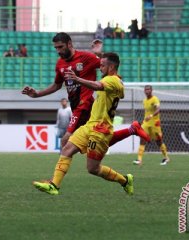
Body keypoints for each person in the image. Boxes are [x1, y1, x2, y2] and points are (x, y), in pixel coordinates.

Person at [21, 32, 150, 151]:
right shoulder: (60, 64)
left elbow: (107, 66)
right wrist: (37, 94)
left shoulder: (85, 57)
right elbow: (56, 85)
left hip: (85, 103)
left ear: (69, 44)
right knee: (99, 140)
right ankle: (131, 130)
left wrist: (99, 54)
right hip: (78, 105)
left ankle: (56, 176)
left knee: (65, 141)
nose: (58, 51)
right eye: (56, 48)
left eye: (60, 47)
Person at [33, 52, 135, 195]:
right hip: (90, 126)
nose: (100, 68)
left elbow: (97, 85)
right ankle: (54, 185)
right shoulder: (114, 82)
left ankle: (125, 180)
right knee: (67, 148)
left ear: (112, 66)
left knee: (93, 168)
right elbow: (117, 92)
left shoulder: (113, 80)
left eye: (103, 65)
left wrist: (77, 79)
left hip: (100, 129)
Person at [133, 85, 170, 166]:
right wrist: (147, 118)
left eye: (148, 89)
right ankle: (139, 159)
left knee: (158, 141)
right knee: (142, 138)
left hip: (155, 123)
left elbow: (158, 109)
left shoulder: (155, 99)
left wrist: (151, 115)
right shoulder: (144, 101)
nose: (147, 91)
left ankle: (166, 158)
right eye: (145, 89)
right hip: (146, 123)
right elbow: (147, 112)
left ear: (151, 90)